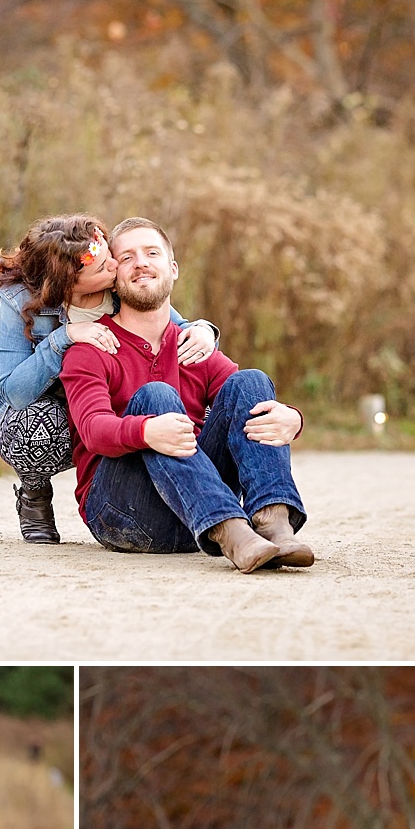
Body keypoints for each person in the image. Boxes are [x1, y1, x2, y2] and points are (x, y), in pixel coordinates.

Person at [59, 217, 315, 574]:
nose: (142, 263)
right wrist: (146, 431)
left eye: (152, 253)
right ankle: (231, 529)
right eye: (128, 257)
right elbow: (93, 429)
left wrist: (294, 419)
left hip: (195, 517)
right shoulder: (92, 346)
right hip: (125, 514)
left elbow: (246, 404)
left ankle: (272, 523)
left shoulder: (193, 345)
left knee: (251, 381)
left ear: (173, 268)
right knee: (156, 397)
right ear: (114, 277)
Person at [0, 213, 219, 544]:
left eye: (110, 259)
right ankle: (34, 493)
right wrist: (65, 337)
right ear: (67, 285)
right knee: (29, 429)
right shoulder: (20, 299)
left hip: (108, 401)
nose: (115, 267)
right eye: (102, 268)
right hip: (51, 406)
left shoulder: (117, 282)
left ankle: (167, 499)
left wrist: (203, 330)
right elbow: (14, 392)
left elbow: (173, 322)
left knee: (201, 413)